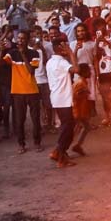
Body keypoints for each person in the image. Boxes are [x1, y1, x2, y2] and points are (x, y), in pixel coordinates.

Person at [0, 30, 42, 154]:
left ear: (27, 40)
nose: (20, 41)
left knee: (35, 119)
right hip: (18, 91)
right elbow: (0, 63)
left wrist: (23, 55)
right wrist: (2, 50)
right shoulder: (12, 53)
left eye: (23, 39)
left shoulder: (34, 53)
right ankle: (21, 144)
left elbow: (31, 71)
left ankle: (37, 142)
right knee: (19, 120)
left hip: (32, 90)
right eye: (19, 38)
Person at [46, 35, 79, 168]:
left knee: (68, 126)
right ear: (60, 47)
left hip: (56, 97)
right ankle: (60, 155)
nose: (67, 47)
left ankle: (59, 152)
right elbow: (76, 70)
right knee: (67, 128)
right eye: (65, 45)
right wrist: (71, 53)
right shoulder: (61, 62)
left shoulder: (50, 62)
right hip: (63, 99)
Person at [71, 63, 93, 157]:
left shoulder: (83, 81)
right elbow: (76, 96)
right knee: (74, 130)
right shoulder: (80, 83)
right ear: (84, 73)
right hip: (78, 110)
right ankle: (62, 149)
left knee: (86, 127)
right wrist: (85, 92)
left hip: (81, 110)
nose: (90, 72)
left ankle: (77, 145)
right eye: (88, 71)